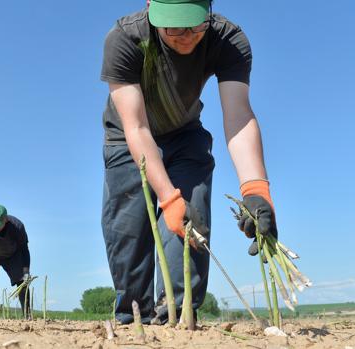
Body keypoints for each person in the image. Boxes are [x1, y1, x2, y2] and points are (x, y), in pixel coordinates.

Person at [100, 0, 279, 325]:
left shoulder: (228, 41)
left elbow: (238, 115)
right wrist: (168, 197)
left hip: (184, 135)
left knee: (189, 221)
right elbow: (136, 127)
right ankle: (132, 317)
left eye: (195, 26)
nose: (185, 37)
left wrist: (256, 188)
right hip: (129, 141)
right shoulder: (125, 38)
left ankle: (178, 315)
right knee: (128, 234)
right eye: (174, 28)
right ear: (152, 8)